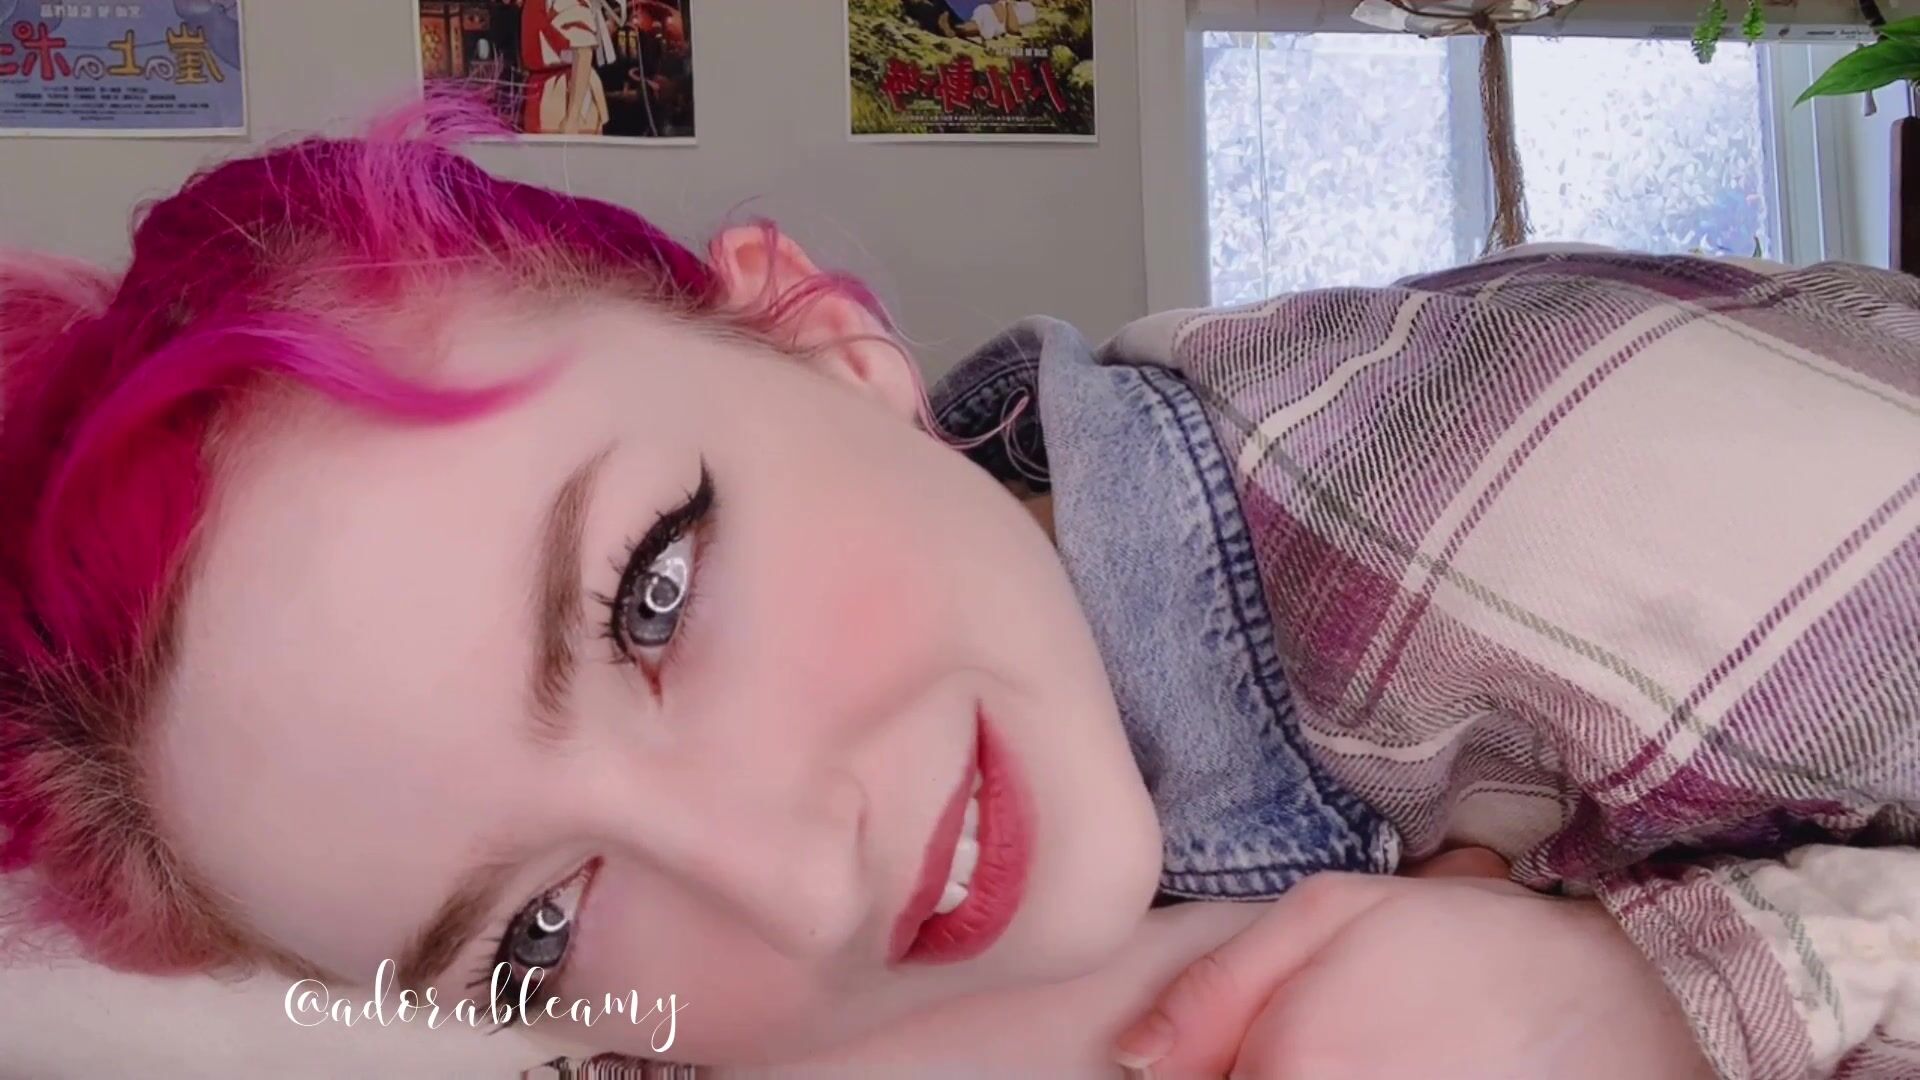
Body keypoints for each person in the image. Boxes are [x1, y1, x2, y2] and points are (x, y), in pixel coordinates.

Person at [0, 108, 1915, 1078]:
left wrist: (1657, 1010)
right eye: (537, 929)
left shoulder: (1553, 490)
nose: (790, 881)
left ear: (824, 342)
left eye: (652, 597)